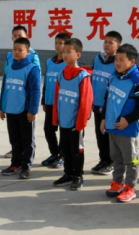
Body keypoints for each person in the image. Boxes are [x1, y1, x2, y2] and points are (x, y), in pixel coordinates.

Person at [101, 44, 139, 203]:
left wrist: (128, 119)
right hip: (112, 127)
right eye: (116, 60)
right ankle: (118, 183)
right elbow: (107, 99)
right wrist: (103, 119)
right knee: (116, 157)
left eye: (122, 60)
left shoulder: (138, 81)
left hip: (127, 128)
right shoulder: (114, 77)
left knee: (131, 159)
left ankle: (130, 187)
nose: (118, 63)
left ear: (132, 61)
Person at [51, 38, 93, 190]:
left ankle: (78, 176)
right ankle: (68, 174)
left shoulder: (83, 76)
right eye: (64, 52)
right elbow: (57, 98)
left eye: (69, 52)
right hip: (64, 121)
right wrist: (55, 118)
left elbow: (86, 102)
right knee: (65, 149)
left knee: (77, 150)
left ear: (78, 55)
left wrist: (80, 123)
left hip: (76, 123)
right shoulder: (62, 74)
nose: (65, 55)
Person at [0, 37, 41, 179]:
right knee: (14, 139)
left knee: (27, 140)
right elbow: (4, 88)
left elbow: (35, 91)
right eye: (14, 49)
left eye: (20, 50)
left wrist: (32, 110)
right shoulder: (9, 67)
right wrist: (2, 107)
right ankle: (15, 163)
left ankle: (26, 165)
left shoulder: (32, 69)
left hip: (24, 111)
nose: (16, 52)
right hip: (11, 109)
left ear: (28, 52)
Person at [91, 31, 122, 175]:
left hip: (109, 106)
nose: (107, 45)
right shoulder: (97, 60)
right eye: (106, 41)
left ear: (118, 46)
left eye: (111, 42)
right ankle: (103, 160)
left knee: (109, 135)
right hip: (96, 104)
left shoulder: (118, 63)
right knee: (99, 134)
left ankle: (111, 162)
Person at [41, 32, 71, 169]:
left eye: (62, 43)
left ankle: (63, 156)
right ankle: (55, 153)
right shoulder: (49, 62)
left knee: (64, 131)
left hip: (63, 104)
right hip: (50, 103)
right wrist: (44, 100)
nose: (58, 46)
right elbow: (46, 82)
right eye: (57, 43)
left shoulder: (68, 64)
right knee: (48, 129)